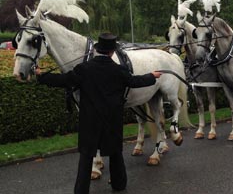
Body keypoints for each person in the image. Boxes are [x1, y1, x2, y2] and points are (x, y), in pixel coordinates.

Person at [34, 33, 162, 194]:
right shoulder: (119, 70)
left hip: (90, 122)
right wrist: (152, 76)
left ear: (97, 50)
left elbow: (63, 80)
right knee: (115, 154)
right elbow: (135, 82)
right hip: (112, 121)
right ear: (112, 52)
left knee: (86, 157)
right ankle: (119, 184)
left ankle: (81, 190)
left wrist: (41, 76)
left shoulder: (83, 69)